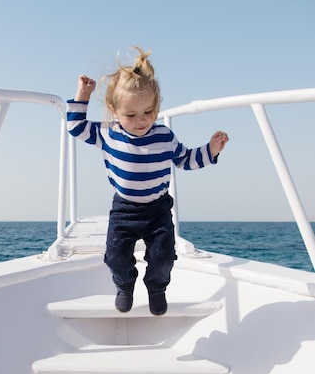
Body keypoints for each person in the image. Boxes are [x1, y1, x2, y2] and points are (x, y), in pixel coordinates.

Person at [67, 47, 228, 315]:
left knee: (163, 258)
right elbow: (76, 127)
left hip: (157, 209)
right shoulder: (108, 133)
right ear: (114, 110)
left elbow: (186, 159)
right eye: (131, 115)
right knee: (117, 257)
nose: (141, 121)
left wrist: (211, 150)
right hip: (125, 210)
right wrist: (83, 95)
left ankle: (156, 288)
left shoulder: (164, 136)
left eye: (149, 112)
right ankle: (125, 285)